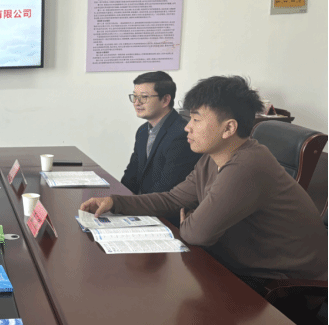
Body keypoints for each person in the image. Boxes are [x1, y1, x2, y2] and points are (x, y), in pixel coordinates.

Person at [81, 76, 327, 293]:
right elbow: (173, 199)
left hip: (285, 287)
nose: (187, 127)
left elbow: (196, 233)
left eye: (196, 120)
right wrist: (115, 202)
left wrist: (191, 219)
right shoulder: (213, 157)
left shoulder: (248, 165)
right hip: (242, 268)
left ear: (228, 128)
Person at [121, 71, 201, 196]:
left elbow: (167, 188)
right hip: (142, 202)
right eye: (135, 96)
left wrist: (130, 203)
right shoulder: (142, 131)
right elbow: (132, 174)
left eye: (144, 97)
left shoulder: (181, 134)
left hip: (162, 205)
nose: (136, 102)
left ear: (165, 100)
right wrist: (117, 199)